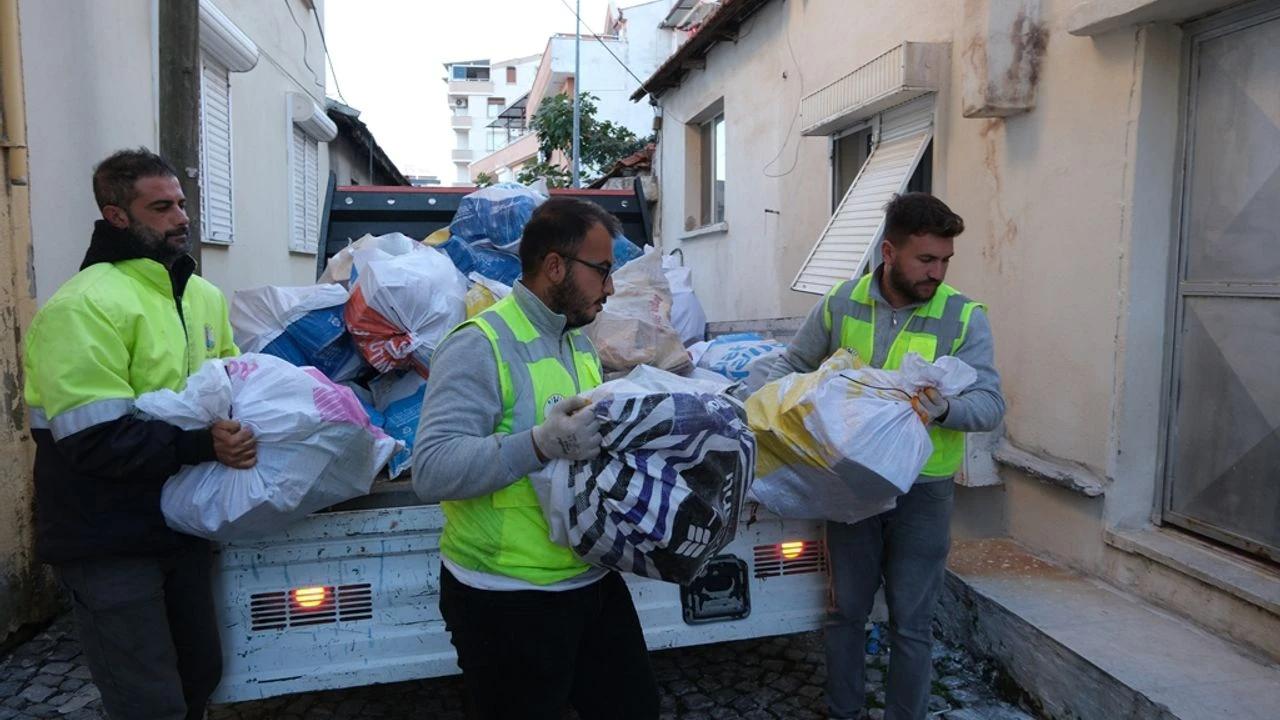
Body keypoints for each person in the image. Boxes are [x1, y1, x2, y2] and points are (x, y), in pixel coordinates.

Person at [755, 193, 1005, 720]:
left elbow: (989, 406)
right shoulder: (842, 302)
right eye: (925, 260)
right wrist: (741, 402)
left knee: (912, 621)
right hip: (850, 488)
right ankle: (844, 711)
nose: (937, 272)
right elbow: (794, 363)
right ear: (889, 251)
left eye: (945, 261)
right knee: (847, 610)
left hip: (924, 492)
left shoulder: (963, 317)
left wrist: (944, 410)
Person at [24, 149, 254, 720]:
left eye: (181, 203)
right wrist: (203, 445)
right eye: (161, 207)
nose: (181, 218)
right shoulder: (83, 306)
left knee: (200, 675)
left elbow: (232, 380)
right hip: (104, 535)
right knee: (148, 700)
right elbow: (91, 439)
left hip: (180, 522)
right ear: (117, 216)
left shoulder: (202, 295)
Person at [412, 197, 659, 720]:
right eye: (602, 272)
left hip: (588, 579)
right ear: (555, 267)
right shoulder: (480, 344)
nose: (610, 288)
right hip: (505, 598)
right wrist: (540, 443)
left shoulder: (579, 344)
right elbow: (431, 468)